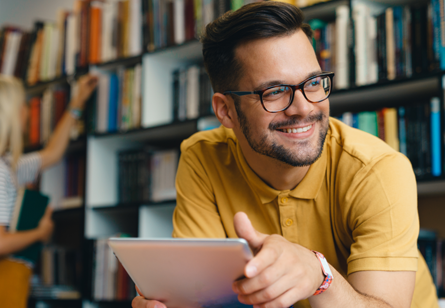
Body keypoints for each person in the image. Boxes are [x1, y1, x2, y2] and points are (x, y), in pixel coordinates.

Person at [133, 2, 438, 308]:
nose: (305, 108)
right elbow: (201, 296)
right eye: (275, 91)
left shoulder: (377, 170)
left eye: (313, 83)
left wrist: (319, 276)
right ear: (226, 111)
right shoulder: (202, 158)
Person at [0, 74, 97, 308]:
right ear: (7, 115)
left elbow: (52, 153)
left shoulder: (0, 167)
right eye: (22, 105)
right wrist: (40, 233)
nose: (27, 111)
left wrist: (76, 104)